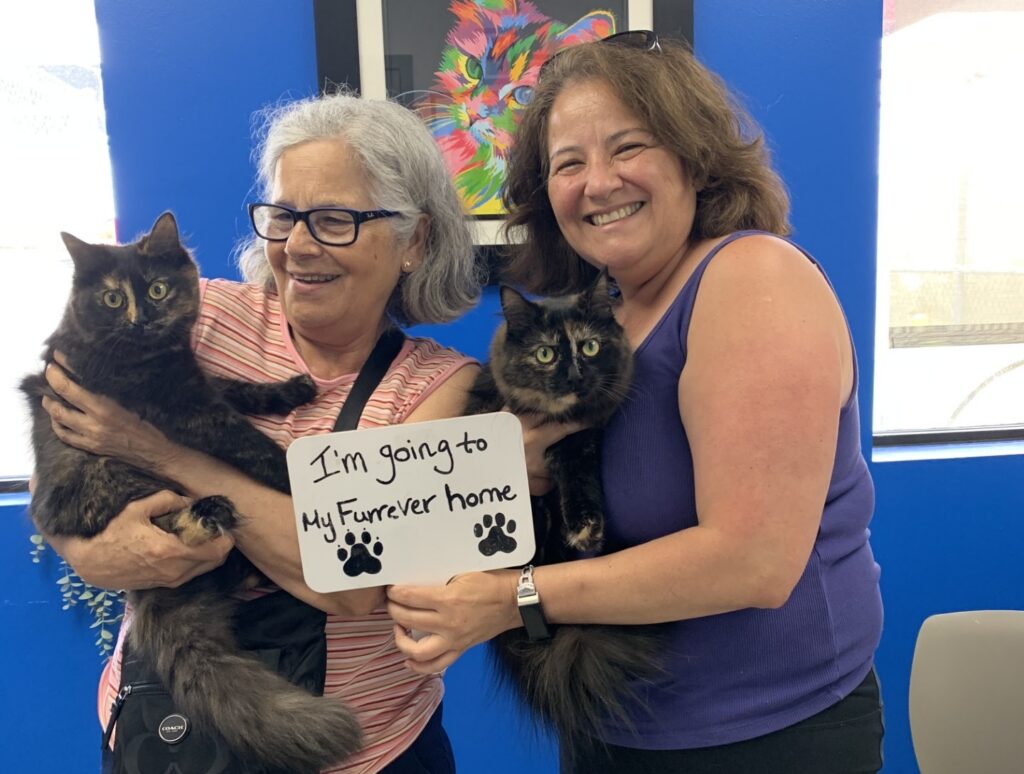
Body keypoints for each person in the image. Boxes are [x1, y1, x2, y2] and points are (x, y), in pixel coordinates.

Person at [384, 33, 885, 774]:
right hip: (618, 729)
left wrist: (511, 599)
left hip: (763, 739)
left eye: (628, 147)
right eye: (568, 164)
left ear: (692, 154)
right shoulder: (606, 316)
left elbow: (753, 561)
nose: (598, 182)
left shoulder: (751, 279)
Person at [39, 91, 484, 773]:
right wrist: (87, 550)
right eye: (283, 216)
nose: (299, 245)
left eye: (334, 220)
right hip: (169, 736)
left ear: (413, 241)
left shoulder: (440, 389)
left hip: (367, 752)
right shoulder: (198, 314)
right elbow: (63, 441)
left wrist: (157, 452)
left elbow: (353, 581)